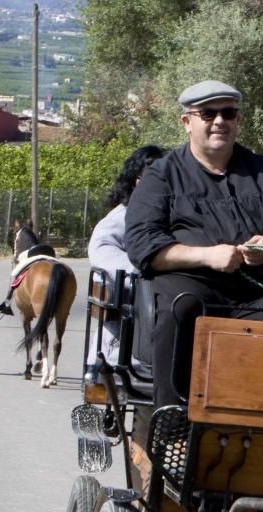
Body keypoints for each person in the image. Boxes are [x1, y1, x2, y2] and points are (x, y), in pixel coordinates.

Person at [125, 80, 263, 409]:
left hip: (259, 292)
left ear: (237, 120)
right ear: (187, 122)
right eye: (208, 113)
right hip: (192, 288)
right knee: (180, 308)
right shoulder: (161, 177)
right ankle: (171, 416)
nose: (220, 121)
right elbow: (144, 246)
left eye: (228, 113)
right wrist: (207, 256)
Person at [87, 144, 165, 365]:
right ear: (134, 181)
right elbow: (102, 250)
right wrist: (148, 268)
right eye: (147, 177)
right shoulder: (123, 216)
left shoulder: (172, 212)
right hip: (129, 322)